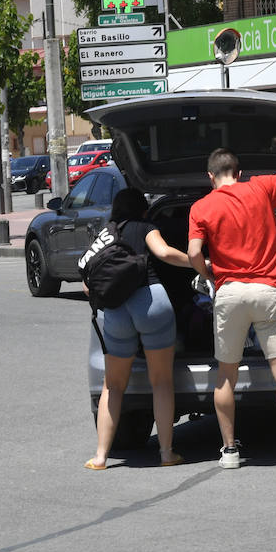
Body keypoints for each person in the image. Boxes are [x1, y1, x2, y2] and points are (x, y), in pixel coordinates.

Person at [187, 99, 276, 471]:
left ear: (211, 177)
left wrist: (209, 273)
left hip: (229, 294)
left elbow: (194, 251)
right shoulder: (260, 189)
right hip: (268, 291)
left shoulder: (202, 207)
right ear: (239, 173)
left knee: (225, 374)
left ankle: (229, 451)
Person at [85, 188, 198, 471]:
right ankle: (166, 453)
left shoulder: (106, 233)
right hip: (151, 302)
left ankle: (100, 457)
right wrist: (199, 263)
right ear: (143, 210)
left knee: (113, 386)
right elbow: (165, 253)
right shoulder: (145, 226)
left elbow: (89, 281)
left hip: (117, 309)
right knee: (161, 381)